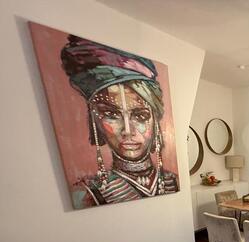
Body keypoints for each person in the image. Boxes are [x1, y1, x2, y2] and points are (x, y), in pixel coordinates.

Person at [60, 35, 179, 208]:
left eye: (140, 116)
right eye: (111, 114)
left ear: (155, 122)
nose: (128, 130)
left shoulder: (172, 181)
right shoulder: (87, 193)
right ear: (95, 121)